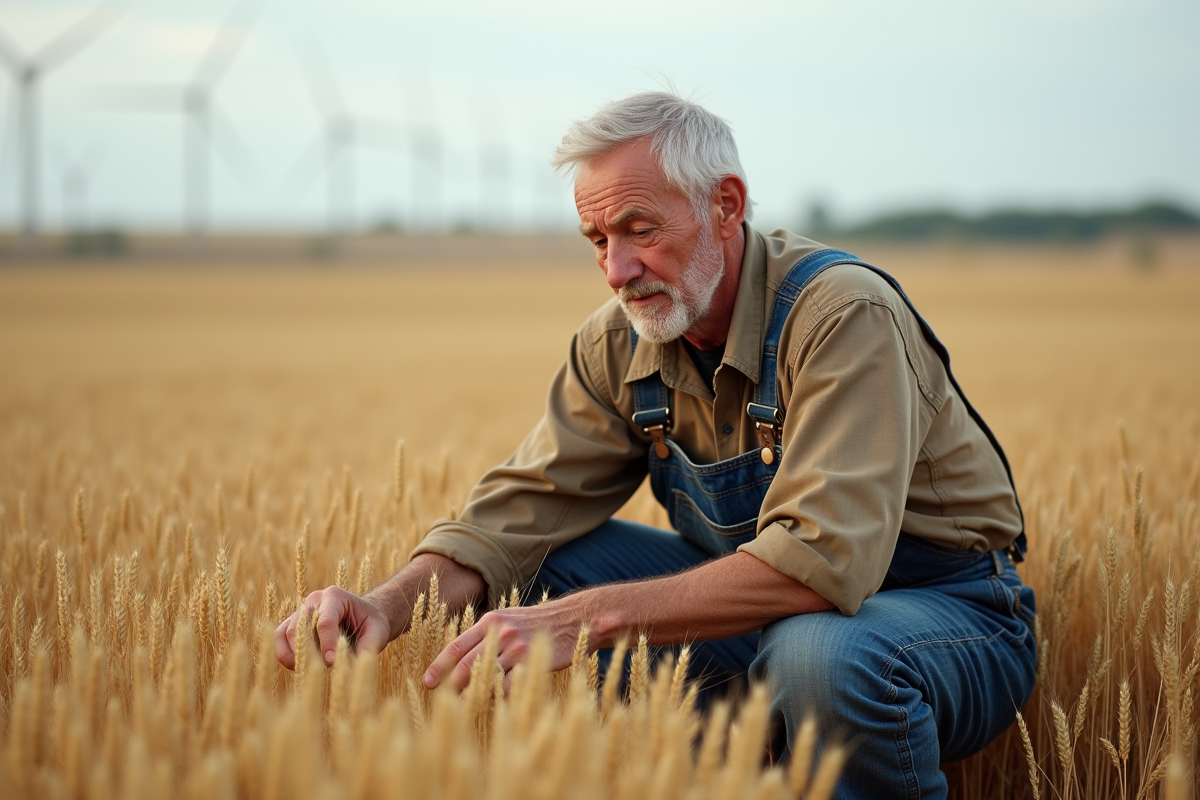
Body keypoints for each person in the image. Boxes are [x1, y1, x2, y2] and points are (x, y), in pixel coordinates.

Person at [276, 91, 1037, 799]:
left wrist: (589, 620)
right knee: (527, 571)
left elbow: (822, 562)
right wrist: (387, 603)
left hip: (942, 619)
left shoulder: (841, 315)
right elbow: (515, 515)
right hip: (757, 625)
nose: (617, 269)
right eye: (597, 239)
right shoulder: (619, 343)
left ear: (725, 206)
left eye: (641, 230)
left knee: (820, 657)